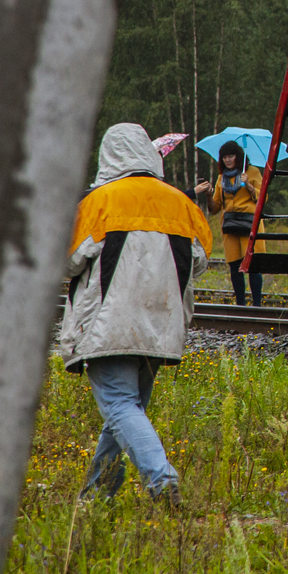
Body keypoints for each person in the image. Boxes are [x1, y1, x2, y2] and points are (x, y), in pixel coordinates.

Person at [59, 123, 210, 503]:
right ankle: (97, 495)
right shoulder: (182, 203)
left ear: (107, 155)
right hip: (160, 326)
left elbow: (68, 262)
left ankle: (162, 479)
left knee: (120, 406)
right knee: (127, 409)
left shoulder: (98, 202)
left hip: (108, 326)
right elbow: (201, 261)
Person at [195, 141, 265, 307]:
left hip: (250, 224)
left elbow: (262, 198)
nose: (227, 160)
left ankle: (257, 305)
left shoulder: (252, 172)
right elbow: (215, 208)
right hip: (230, 225)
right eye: (224, 157)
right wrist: (208, 195)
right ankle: (240, 304)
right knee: (234, 265)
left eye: (231, 156)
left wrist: (247, 184)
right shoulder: (222, 177)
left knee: (253, 265)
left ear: (238, 157)